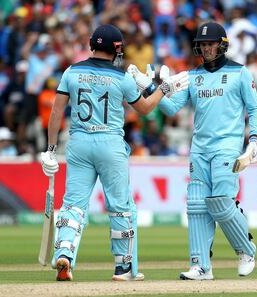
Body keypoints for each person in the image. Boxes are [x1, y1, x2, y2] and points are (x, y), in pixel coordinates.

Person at [40, 24, 188, 282]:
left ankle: (65, 253)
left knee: (74, 204)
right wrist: (162, 89)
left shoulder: (71, 72)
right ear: (117, 49)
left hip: (79, 143)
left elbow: (55, 113)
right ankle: (123, 268)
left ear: (91, 45)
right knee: (120, 208)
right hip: (110, 144)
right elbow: (144, 109)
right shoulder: (122, 77)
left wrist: (51, 150)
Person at [129, 22, 257, 280]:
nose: (206, 48)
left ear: (222, 44)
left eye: (211, 43)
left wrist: (254, 138)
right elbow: (170, 108)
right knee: (195, 206)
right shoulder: (193, 76)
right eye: (202, 44)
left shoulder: (240, 73)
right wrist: (148, 86)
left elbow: (255, 109)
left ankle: (246, 249)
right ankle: (201, 266)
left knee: (222, 203)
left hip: (227, 146)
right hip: (199, 149)